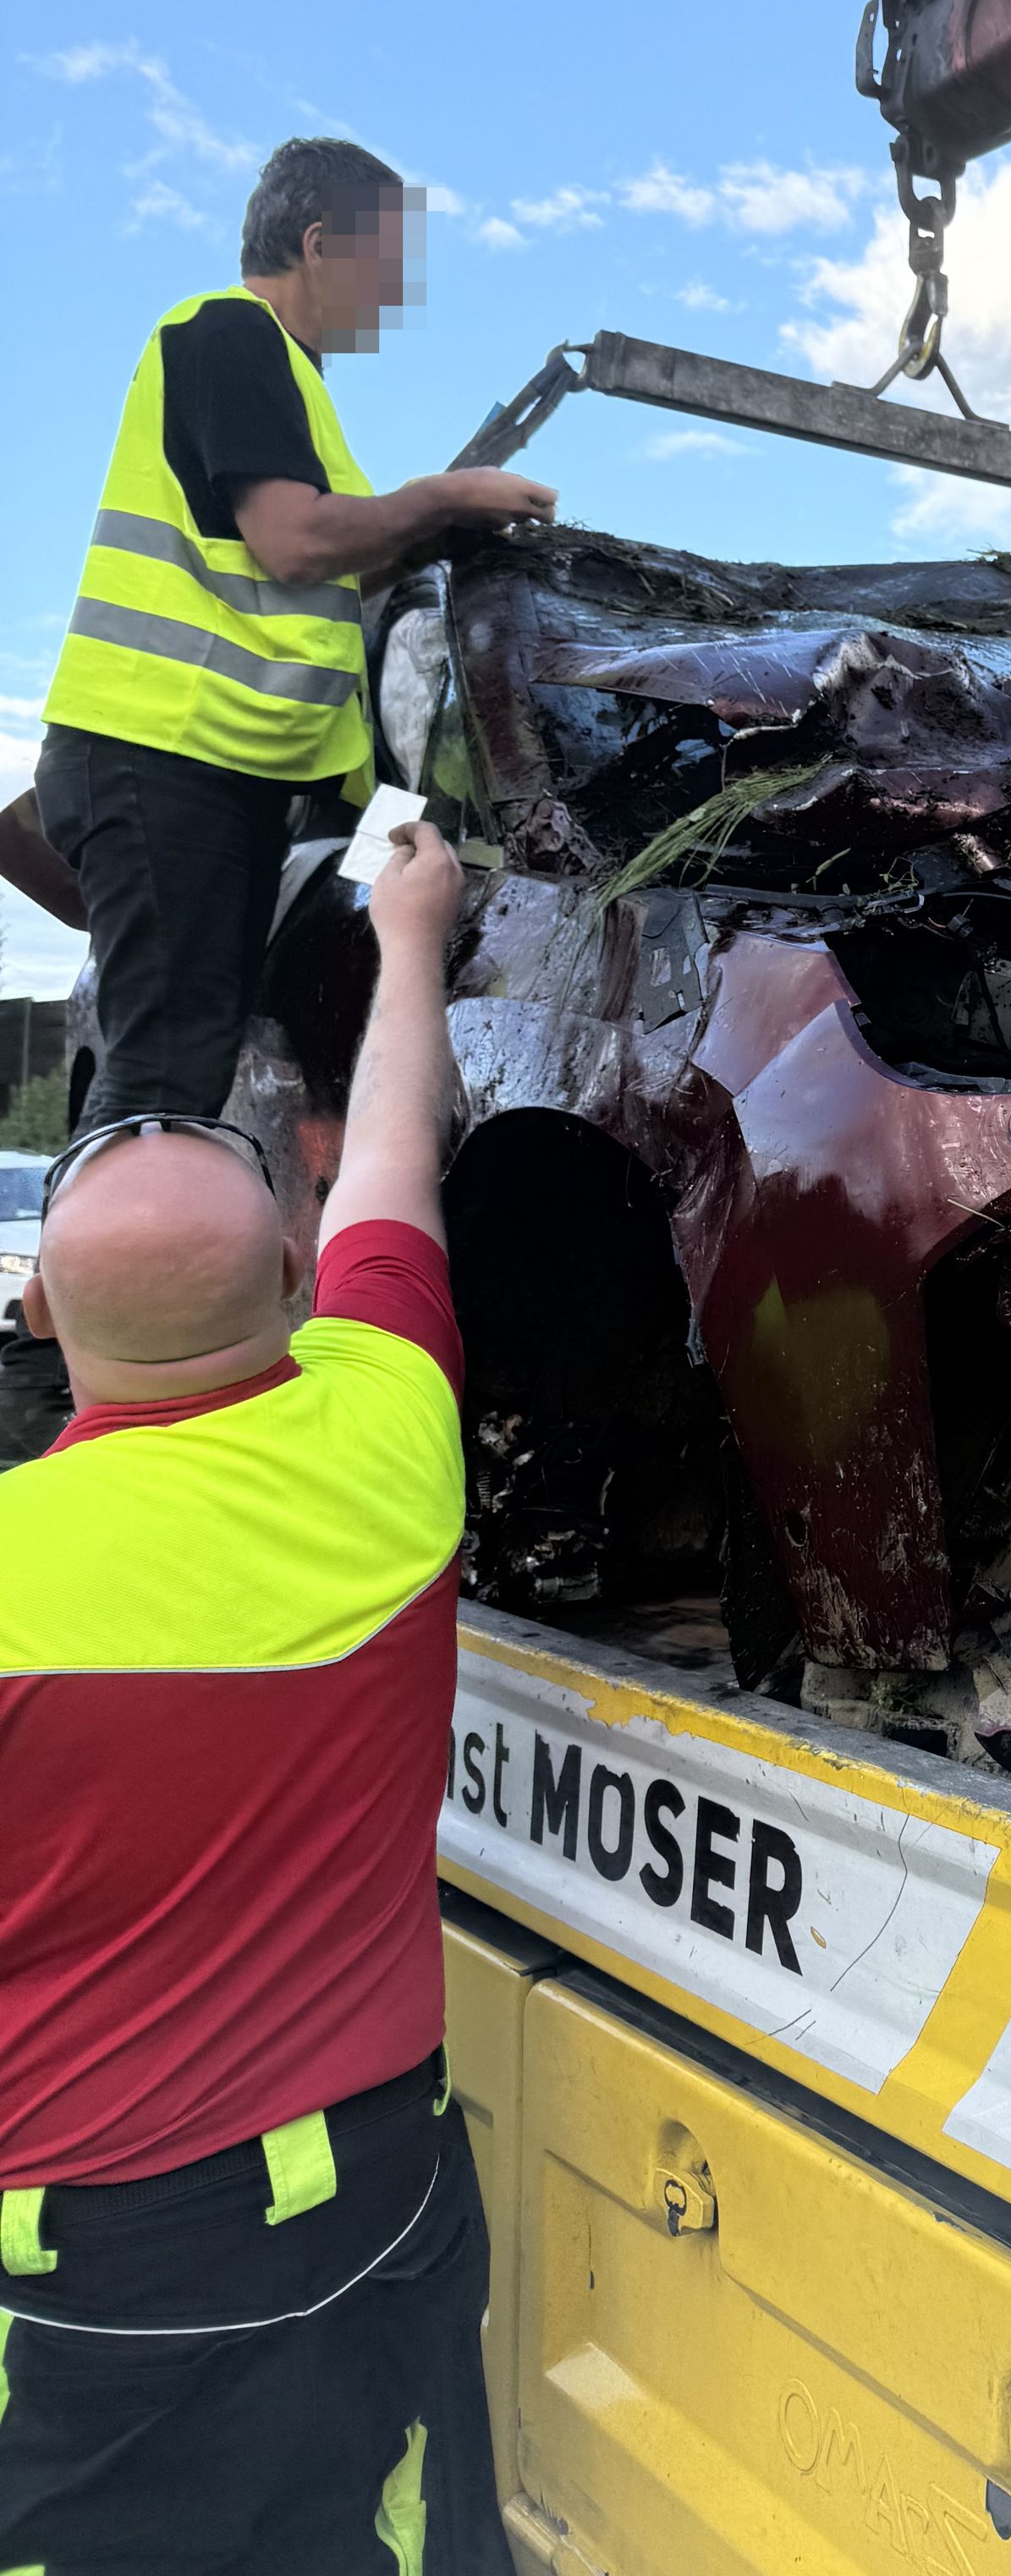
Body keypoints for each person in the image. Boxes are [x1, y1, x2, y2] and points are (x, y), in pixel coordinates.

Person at [0, 821, 507, 2573]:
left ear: (46, 1322)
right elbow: (388, 1166)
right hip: (370, 2211)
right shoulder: (385, 1445)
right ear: (298, 1288)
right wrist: (415, 931)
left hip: (93, 2277)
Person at [35, 134, 555, 1128]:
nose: (396, 292)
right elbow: (296, 542)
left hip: (212, 773)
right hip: (160, 752)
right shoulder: (227, 334)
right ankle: (131, 1281)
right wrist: (441, 493)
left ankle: (157, 1277)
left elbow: (344, 559)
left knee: (186, 1064)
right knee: (164, 1079)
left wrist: (436, 528)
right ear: (321, 245)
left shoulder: (293, 386)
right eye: (386, 262)